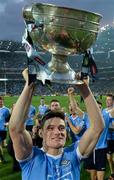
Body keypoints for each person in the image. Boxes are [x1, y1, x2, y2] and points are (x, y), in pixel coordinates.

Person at [9, 69, 104, 180]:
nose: (57, 132)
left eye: (61, 128)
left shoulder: (73, 154)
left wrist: (84, 87)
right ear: (41, 133)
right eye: (50, 128)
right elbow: (16, 129)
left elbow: (97, 128)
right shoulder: (31, 157)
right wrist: (29, 86)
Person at [83, 100, 114, 180]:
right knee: (93, 175)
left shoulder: (106, 116)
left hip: (101, 149)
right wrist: (70, 95)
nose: (97, 109)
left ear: (101, 109)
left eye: (99, 108)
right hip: (89, 149)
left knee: (100, 177)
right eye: (96, 108)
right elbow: (75, 109)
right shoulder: (87, 116)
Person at [104, 94, 114, 179]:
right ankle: (112, 172)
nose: (107, 101)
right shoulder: (103, 111)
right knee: (109, 158)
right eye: (106, 99)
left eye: (109, 100)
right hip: (107, 138)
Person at [0, 96, 10, 163]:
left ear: (3, 102)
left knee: (2, 144)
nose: (0, 103)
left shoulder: (6, 110)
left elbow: (9, 119)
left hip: (3, 129)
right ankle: (2, 158)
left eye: (1, 102)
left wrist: (7, 123)